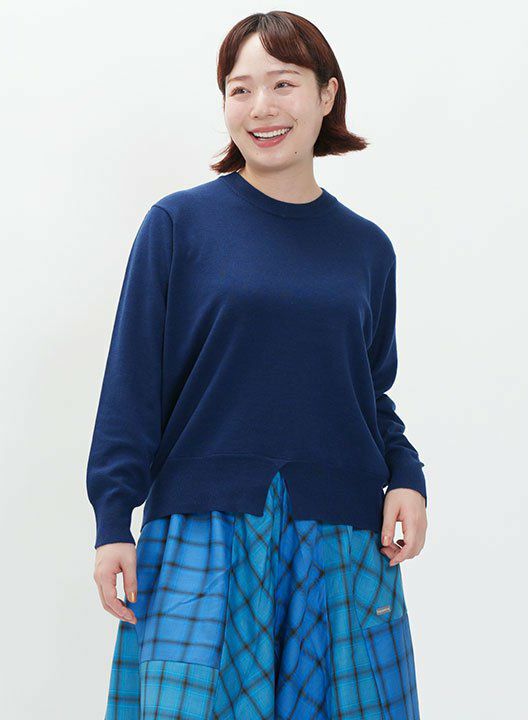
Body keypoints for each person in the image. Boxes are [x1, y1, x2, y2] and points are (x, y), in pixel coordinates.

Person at [87, 10, 428, 719]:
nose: (261, 107)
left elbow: (370, 389)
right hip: (202, 534)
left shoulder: (367, 248)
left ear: (327, 94)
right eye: (240, 89)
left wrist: (407, 477)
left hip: (341, 536)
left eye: (283, 83)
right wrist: (113, 519)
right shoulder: (178, 226)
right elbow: (132, 384)